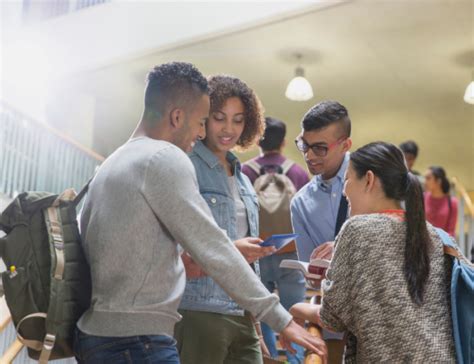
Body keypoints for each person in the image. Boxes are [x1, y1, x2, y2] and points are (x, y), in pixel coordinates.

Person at [74, 62, 327, 363]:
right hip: (138, 340)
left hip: (98, 336)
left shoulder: (112, 163)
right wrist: (281, 320)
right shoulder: (166, 158)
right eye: (202, 121)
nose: (200, 132)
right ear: (178, 117)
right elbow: (213, 248)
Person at [290, 142, 456, 363]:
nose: (344, 190)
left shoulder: (357, 229)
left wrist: (296, 309)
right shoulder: (434, 235)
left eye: (347, 179)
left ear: (368, 179)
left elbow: (332, 317)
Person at [175, 74, 274, 363]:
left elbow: (246, 265)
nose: (229, 128)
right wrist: (234, 249)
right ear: (203, 116)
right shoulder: (185, 164)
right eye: (219, 117)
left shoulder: (243, 180)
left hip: (242, 312)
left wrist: (255, 321)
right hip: (199, 310)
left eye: (238, 120)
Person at [242, 117, 309, 363]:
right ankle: (297, 360)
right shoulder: (298, 172)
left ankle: (268, 359)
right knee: (295, 316)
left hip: (256, 253)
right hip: (290, 253)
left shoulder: (245, 172)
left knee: (262, 317)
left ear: (258, 140)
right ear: (282, 142)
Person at [291, 101, 352, 263]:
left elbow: (396, 239)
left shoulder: (372, 180)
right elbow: (308, 267)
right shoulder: (300, 203)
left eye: (320, 148)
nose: (308, 156)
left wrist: (344, 248)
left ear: (345, 145)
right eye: (305, 145)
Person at [424, 166, 458, 236]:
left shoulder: (452, 202)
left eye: (428, 178)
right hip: (423, 242)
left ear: (438, 181)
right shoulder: (422, 197)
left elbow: (451, 230)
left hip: (442, 243)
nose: (425, 182)